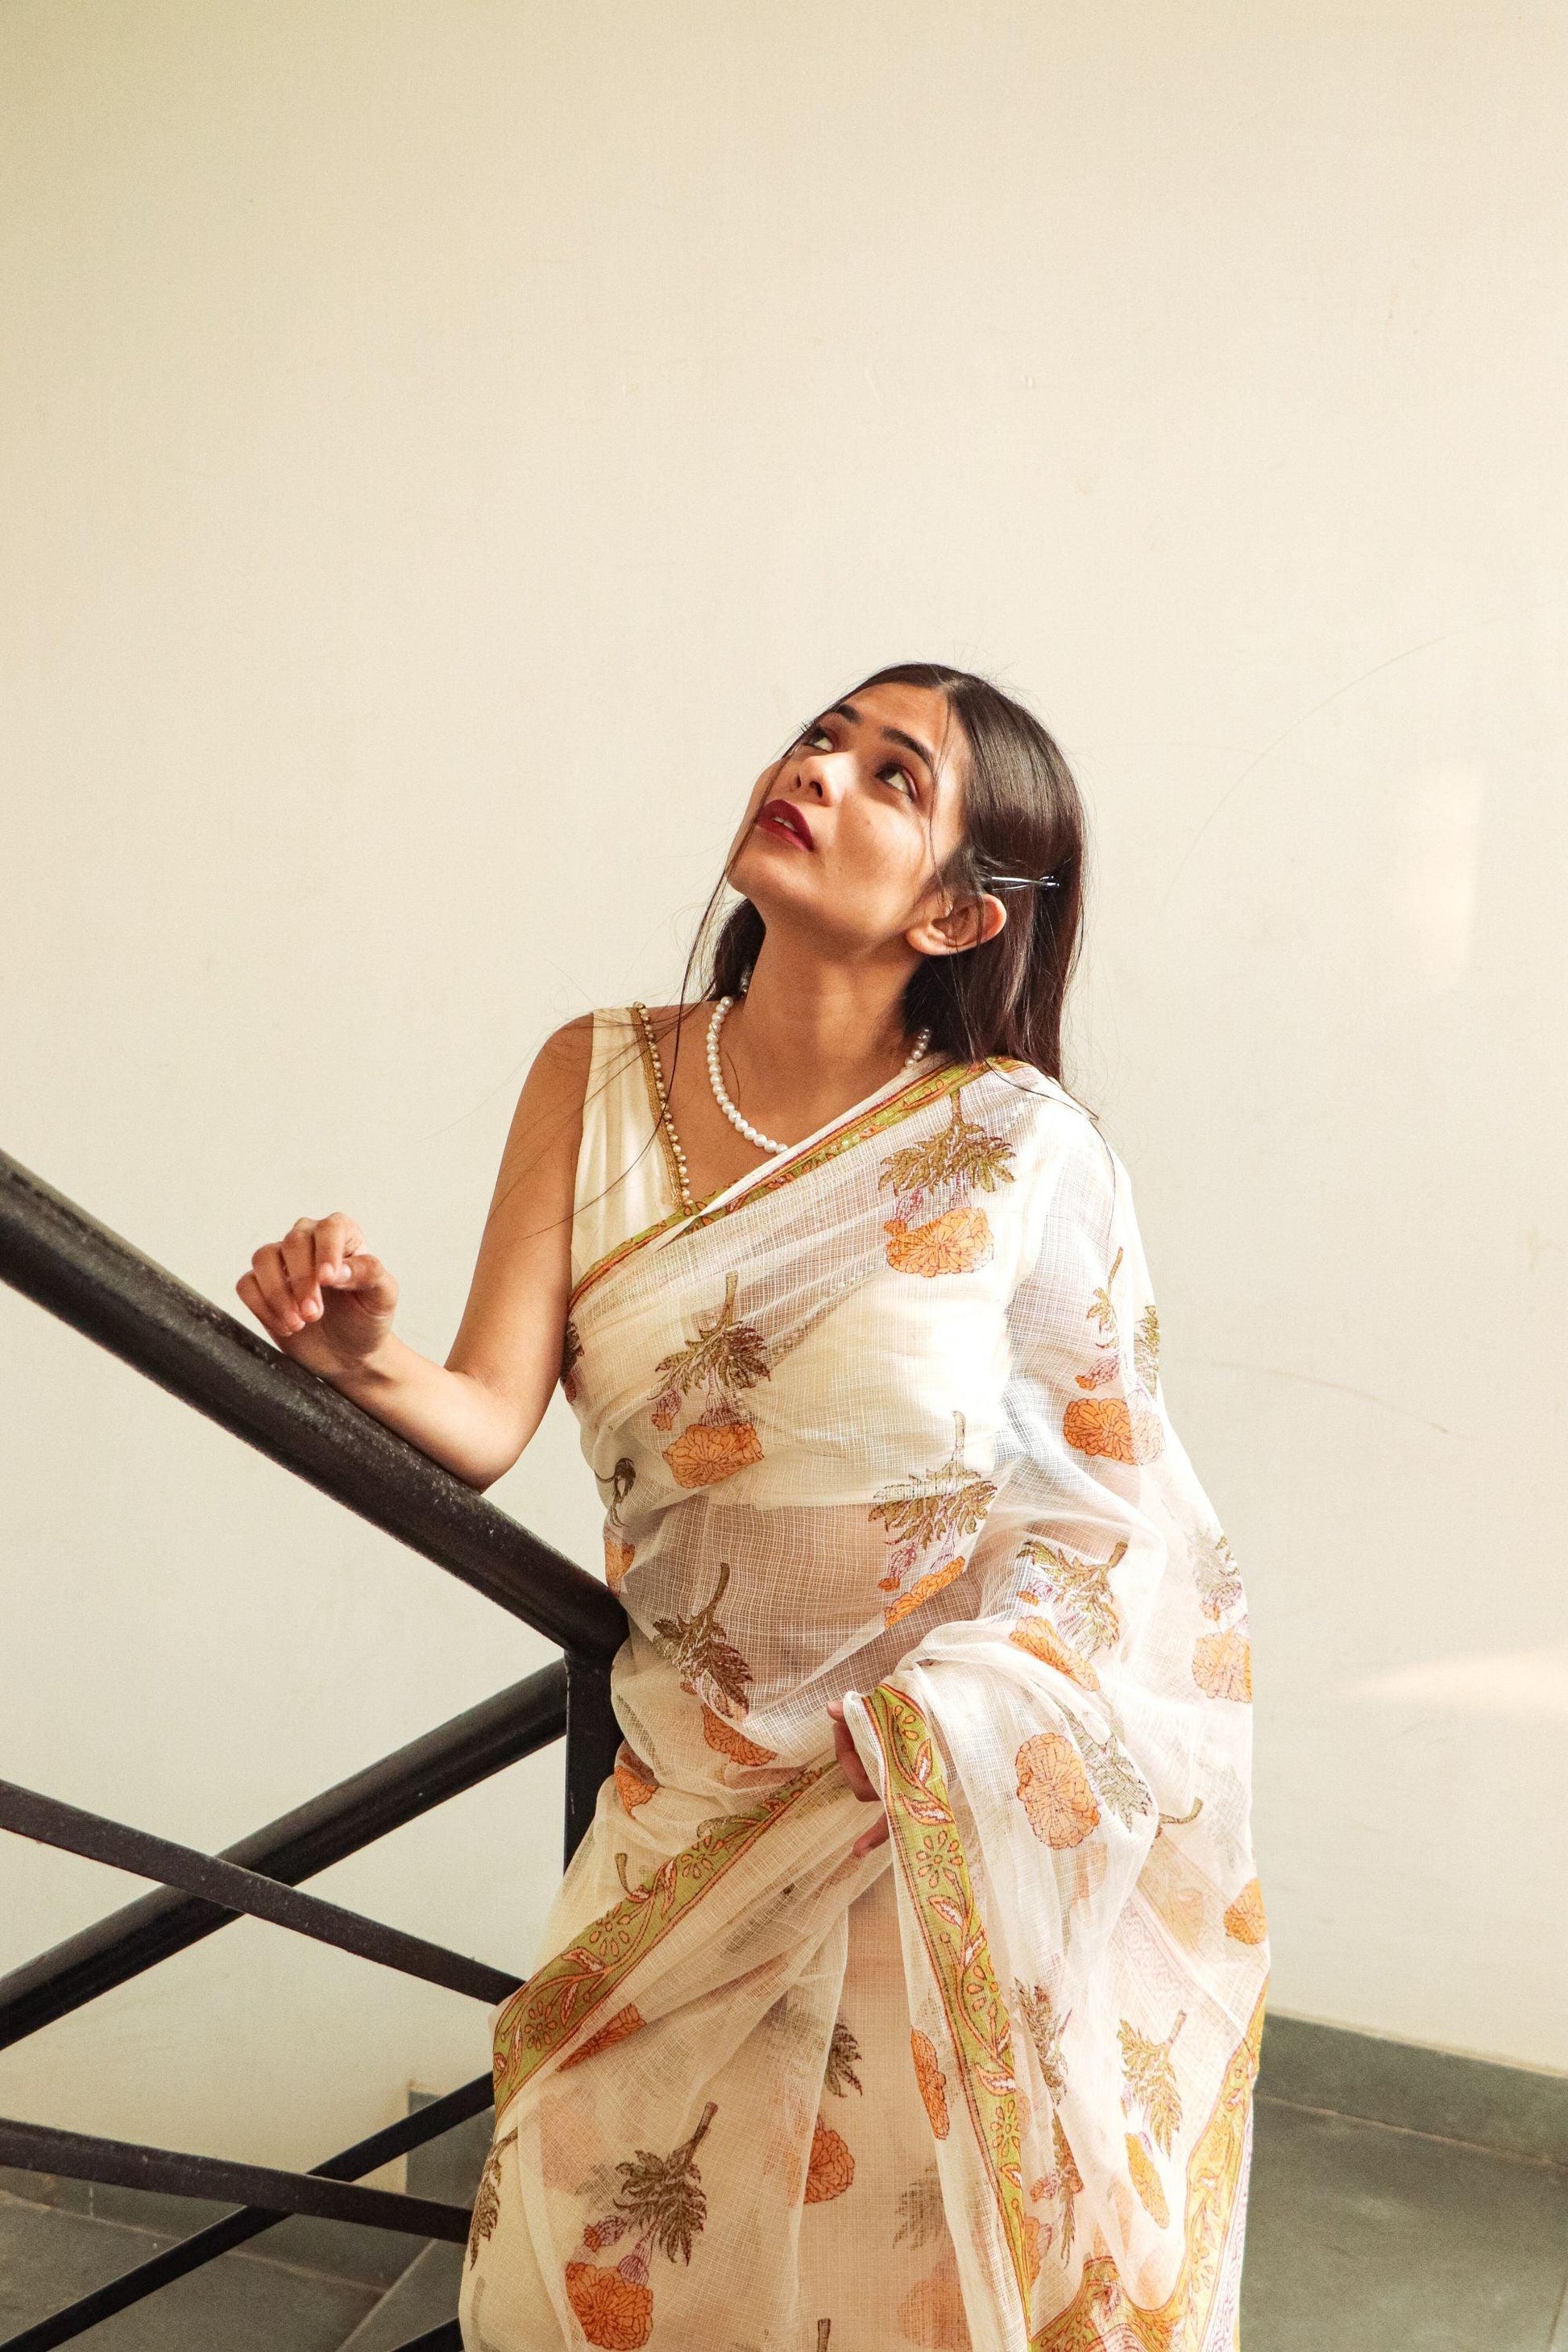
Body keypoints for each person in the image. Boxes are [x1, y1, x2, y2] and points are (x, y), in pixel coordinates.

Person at [238, 662, 1268, 2352]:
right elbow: (485, 1413)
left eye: (892, 774)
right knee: (580, 2263)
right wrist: (361, 1354)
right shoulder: (597, 1073)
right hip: (686, 1800)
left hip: (917, 1822)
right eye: (821, 735)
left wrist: (949, 1732)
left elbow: (1111, 1516)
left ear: (957, 914)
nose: (819, 768)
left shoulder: (1019, 1148)